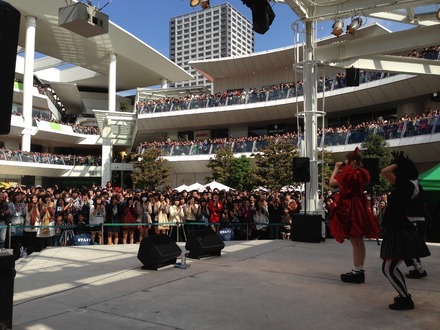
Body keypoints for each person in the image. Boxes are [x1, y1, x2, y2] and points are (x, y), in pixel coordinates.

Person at [380, 151, 431, 310]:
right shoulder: (408, 185)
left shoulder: (408, 185)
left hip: (400, 230)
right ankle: (404, 296)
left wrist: (399, 162)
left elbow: (384, 172)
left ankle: (405, 299)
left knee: (388, 268)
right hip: (398, 229)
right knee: (390, 268)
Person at [329, 147, 380, 284]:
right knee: (359, 241)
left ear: (351, 161)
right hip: (359, 205)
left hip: (350, 206)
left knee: (355, 240)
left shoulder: (348, 174)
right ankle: (360, 269)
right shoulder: (361, 173)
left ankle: (356, 271)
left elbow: (332, 182)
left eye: (347, 160)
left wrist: (336, 168)